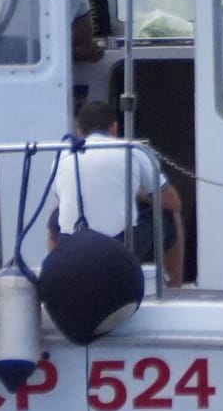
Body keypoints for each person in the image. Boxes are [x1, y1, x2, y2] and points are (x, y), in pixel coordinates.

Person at [49, 101, 185, 287]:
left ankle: (58, 280)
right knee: (168, 214)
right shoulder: (133, 151)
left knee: (54, 219)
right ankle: (174, 285)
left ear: (78, 130)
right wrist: (138, 193)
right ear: (114, 127)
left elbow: (60, 200)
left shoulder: (62, 156)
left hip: (72, 246)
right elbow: (174, 202)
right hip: (120, 247)